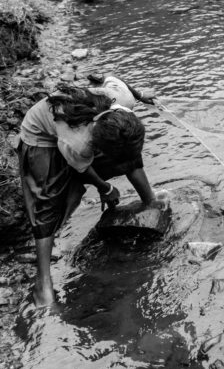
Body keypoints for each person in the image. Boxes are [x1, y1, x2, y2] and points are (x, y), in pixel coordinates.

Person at [15, 78, 158, 306]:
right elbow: (81, 169)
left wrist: (140, 94)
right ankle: (43, 283)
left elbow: (113, 78)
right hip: (40, 139)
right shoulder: (79, 144)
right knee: (49, 200)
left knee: (129, 152)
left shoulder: (121, 102)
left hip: (83, 130)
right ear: (97, 145)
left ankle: (150, 199)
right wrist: (105, 187)